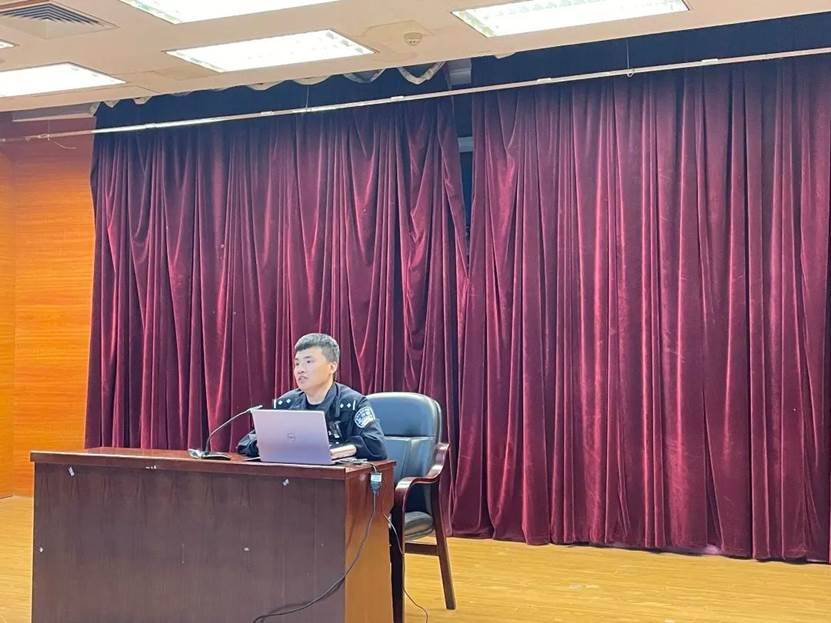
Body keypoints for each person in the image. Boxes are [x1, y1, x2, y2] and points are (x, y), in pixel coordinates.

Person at [237, 333, 387, 461]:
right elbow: (246, 442)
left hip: (336, 479)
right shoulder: (286, 404)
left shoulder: (352, 403)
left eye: (308, 362)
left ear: (332, 367)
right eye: (297, 364)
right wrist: (265, 444)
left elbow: (375, 444)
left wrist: (335, 452)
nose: (300, 370)